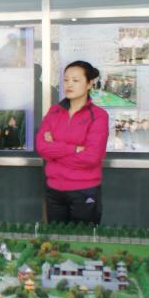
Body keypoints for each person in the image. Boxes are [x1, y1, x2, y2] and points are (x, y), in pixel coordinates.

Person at [35, 61, 109, 224]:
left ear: (89, 84)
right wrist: (74, 149)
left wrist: (55, 151)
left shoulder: (98, 115)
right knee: (56, 237)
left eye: (75, 80)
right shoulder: (54, 111)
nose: (69, 84)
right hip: (54, 189)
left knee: (83, 238)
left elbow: (91, 157)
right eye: (66, 80)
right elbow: (41, 147)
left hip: (84, 190)